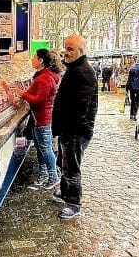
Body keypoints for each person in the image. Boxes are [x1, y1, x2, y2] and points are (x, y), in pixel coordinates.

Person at [51, 34, 98, 220]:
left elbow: (81, 108)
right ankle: (64, 193)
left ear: (80, 51)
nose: (66, 52)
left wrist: (67, 130)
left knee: (71, 168)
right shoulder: (74, 69)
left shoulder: (84, 72)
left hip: (76, 131)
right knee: (64, 163)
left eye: (70, 49)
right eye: (66, 48)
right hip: (67, 129)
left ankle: (74, 203)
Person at [16, 48, 61, 189]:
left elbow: (38, 100)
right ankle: (43, 174)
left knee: (46, 149)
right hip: (38, 120)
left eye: (34, 57)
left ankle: (53, 177)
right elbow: (32, 93)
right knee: (41, 148)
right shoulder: (43, 76)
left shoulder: (44, 78)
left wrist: (22, 94)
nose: (32, 60)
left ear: (41, 60)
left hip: (43, 120)